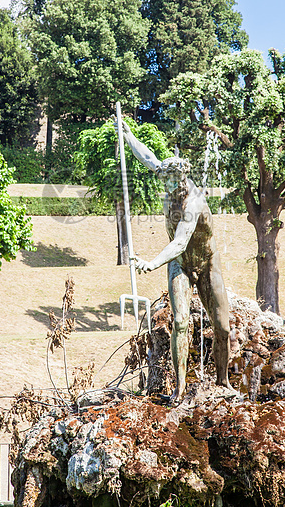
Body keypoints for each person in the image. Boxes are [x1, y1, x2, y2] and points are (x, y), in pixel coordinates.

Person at [116, 119, 231, 402]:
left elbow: (180, 240)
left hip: (206, 262)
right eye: (163, 180)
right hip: (179, 262)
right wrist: (128, 135)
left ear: (181, 178)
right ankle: (179, 389)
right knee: (180, 321)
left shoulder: (193, 203)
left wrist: (151, 263)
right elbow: (148, 158)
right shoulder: (167, 175)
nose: (166, 186)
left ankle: (222, 381)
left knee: (223, 327)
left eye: (170, 182)